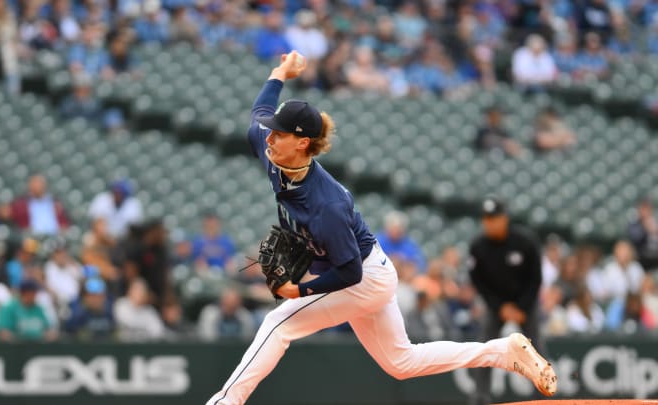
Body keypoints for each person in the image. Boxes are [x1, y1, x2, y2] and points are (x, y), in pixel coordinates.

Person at [205, 51, 556, 405]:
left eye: (279, 134)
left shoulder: (327, 205)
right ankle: (502, 351)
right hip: (374, 270)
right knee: (402, 362)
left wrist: (300, 292)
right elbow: (259, 114)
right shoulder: (272, 151)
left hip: (364, 276)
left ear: (301, 143)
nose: (269, 138)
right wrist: (279, 71)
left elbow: (350, 273)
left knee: (280, 324)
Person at [467, 196, 544, 405]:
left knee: (535, 350)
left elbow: (535, 278)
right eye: (486, 219)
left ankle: (543, 396)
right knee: (485, 348)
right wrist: (499, 307)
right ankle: (480, 397)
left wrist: (521, 307)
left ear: (504, 218)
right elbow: (478, 282)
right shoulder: (478, 246)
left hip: (525, 303)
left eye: (494, 218)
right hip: (496, 305)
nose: (489, 223)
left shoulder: (525, 242)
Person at [627, 198, 658, 272]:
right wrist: (645, 229)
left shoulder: (655, 223)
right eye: (643, 209)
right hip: (641, 260)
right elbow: (636, 239)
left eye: (647, 209)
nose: (645, 212)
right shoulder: (634, 225)